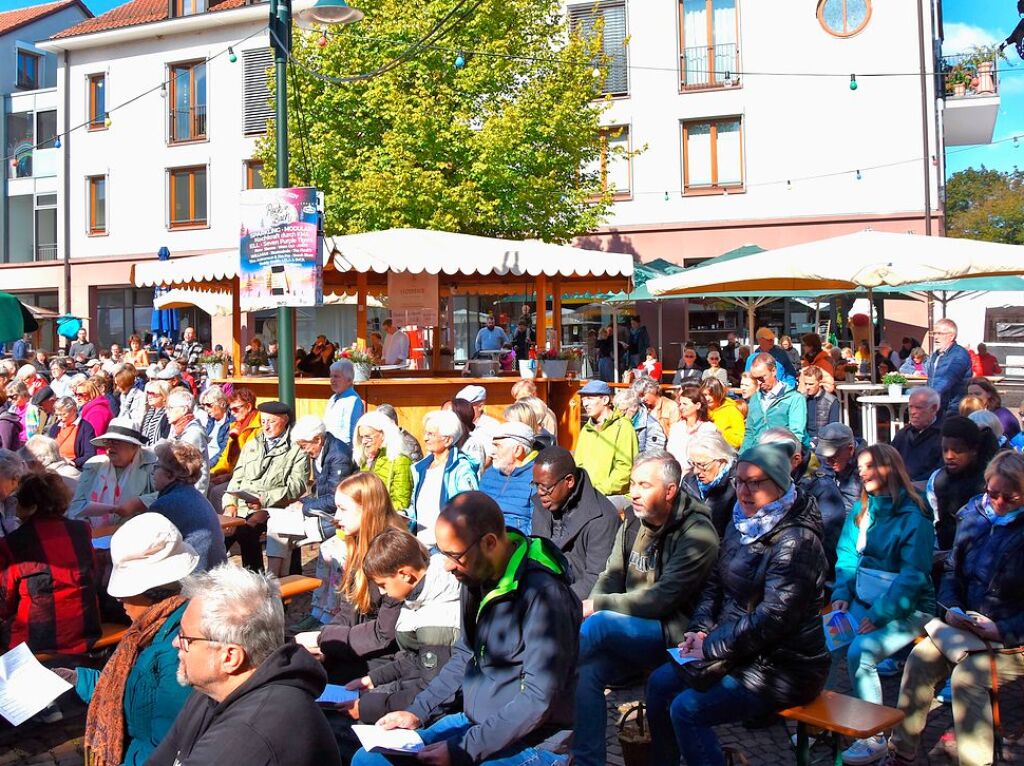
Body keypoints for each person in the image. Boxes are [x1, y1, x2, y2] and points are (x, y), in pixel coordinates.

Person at [350, 492, 581, 766]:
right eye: (441, 552)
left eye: (454, 555)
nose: (446, 566)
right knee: (369, 759)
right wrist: (417, 712)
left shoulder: (545, 597)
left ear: (489, 543)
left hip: (534, 742)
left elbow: (537, 699)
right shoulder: (474, 578)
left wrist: (465, 749)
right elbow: (463, 656)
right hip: (473, 722)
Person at [645, 442, 830, 766]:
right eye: (739, 481)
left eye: (755, 482)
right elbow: (714, 584)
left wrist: (712, 645)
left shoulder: (796, 541)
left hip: (784, 665)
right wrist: (700, 630)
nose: (744, 491)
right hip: (737, 650)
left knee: (687, 709)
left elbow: (773, 619)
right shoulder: (742, 521)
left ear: (780, 484)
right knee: (658, 684)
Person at [574, 451, 719, 766]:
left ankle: (542, 681)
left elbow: (662, 600)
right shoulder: (632, 520)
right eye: (632, 484)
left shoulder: (697, 533)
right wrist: (598, 602)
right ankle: (587, 761)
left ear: (669, 491)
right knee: (587, 673)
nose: (634, 492)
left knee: (596, 626)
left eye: (643, 485)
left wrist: (597, 606)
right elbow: (610, 575)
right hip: (631, 628)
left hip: (674, 635)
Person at [888, 450, 1024, 766]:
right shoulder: (974, 513)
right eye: (993, 494)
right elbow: (951, 570)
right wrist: (951, 607)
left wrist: (1002, 629)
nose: (998, 503)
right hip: (970, 628)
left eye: (1010, 498)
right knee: (920, 659)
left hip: (1012, 638)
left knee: (967, 678)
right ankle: (902, 751)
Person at [147, 564, 341, 766]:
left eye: (185, 638)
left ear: (230, 657)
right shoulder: (210, 692)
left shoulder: (251, 733)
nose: (175, 643)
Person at [53, 513, 198, 766]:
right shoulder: (150, 629)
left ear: (151, 591)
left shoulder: (175, 652)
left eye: (126, 592)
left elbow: (164, 750)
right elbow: (127, 687)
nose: (119, 599)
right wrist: (77, 679)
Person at [827, 444, 935, 764]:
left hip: (909, 606)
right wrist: (841, 594)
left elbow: (913, 576)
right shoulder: (863, 508)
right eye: (860, 467)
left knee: (861, 651)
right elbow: (846, 556)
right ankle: (824, 722)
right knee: (826, 641)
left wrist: (879, 615)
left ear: (890, 468)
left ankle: (873, 736)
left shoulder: (915, 515)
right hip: (863, 597)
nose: (862, 472)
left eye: (870, 465)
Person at [338, 529, 461, 748]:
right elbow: (412, 657)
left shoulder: (436, 617)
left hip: (432, 710)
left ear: (405, 574)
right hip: (412, 690)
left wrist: (367, 707)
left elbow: (433, 688)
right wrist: (373, 679)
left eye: (383, 585)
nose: (382, 593)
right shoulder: (416, 596)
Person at [295, 472, 406, 682]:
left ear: (368, 510)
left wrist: (324, 638)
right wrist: (327, 644)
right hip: (363, 647)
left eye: (343, 509)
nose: (336, 517)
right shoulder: (359, 545)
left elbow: (385, 634)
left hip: (388, 660)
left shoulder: (394, 554)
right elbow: (349, 610)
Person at [0, 469, 101, 654]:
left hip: (34, 641)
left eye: (19, 503)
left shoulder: (12, 544)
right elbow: (92, 574)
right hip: (86, 631)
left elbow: (4, 604)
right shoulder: (81, 530)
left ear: (30, 507)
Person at [221, 401, 308, 571]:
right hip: (243, 505)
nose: (266, 427)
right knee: (218, 534)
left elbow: (298, 485)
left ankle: (256, 578)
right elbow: (236, 478)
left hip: (274, 506)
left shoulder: (296, 448)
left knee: (246, 530)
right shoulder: (252, 444)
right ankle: (210, 581)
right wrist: (230, 504)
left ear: (284, 421)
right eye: (263, 422)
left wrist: (264, 499)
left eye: (271, 422)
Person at [529, 446, 619, 600]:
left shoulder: (602, 518)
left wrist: (552, 601)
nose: (539, 492)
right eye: (536, 485)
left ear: (569, 481)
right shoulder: (544, 503)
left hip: (574, 602)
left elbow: (597, 579)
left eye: (545, 487)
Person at [149, 441, 227, 571]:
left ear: (171, 475)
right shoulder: (195, 495)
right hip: (216, 572)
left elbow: (150, 549)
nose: (152, 472)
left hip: (194, 580)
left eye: (156, 467)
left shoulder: (164, 505)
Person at [927, 415, 999, 551]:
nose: (949, 456)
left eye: (958, 450)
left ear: (974, 450)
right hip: (944, 551)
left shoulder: (989, 481)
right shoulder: (938, 479)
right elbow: (935, 521)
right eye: (945, 450)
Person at [69, 419, 159, 522]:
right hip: (91, 532)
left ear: (134, 446)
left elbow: (168, 495)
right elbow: (77, 505)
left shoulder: (152, 465)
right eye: (108, 441)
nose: (110, 446)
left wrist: (140, 502)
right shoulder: (94, 465)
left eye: (116, 441)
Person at [410, 409, 478, 544]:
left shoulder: (461, 468)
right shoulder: (420, 468)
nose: (425, 438)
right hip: (420, 543)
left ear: (447, 440)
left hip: (447, 546)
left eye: (431, 434)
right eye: (425, 433)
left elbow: (470, 508)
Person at [801, 422, 863, 566]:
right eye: (825, 456)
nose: (828, 461)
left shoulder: (863, 472)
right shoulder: (827, 465)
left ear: (850, 449)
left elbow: (848, 517)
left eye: (833, 456)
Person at [574, 379, 638, 498]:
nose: (585, 404)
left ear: (605, 400)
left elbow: (625, 470)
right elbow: (578, 465)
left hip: (614, 495)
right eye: (583, 399)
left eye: (590, 398)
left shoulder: (623, 427)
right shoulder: (586, 430)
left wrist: (598, 491)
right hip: (587, 494)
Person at [478, 421, 539, 534]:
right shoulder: (490, 473)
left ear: (517, 450)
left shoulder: (537, 478)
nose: (491, 452)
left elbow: (535, 529)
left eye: (497, 446)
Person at [740, 352, 808, 450]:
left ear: (774, 371)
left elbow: (796, 436)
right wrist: (741, 458)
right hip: (758, 456)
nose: (758, 383)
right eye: (755, 379)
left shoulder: (794, 399)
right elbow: (749, 433)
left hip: (783, 456)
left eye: (761, 378)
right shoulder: (755, 398)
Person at [353, 410, 414, 511]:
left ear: (383, 434)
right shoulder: (366, 460)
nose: (363, 441)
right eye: (362, 437)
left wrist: (374, 511)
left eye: (368, 437)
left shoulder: (400, 461)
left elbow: (401, 504)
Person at [682, 430, 737, 538]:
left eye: (702, 465)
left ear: (722, 461)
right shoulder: (688, 481)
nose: (696, 471)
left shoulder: (737, 486)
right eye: (692, 463)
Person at [891, 386, 943, 486]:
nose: (912, 412)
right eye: (910, 407)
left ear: (934, 408)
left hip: (927, 487)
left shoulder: (943, 435)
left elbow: (940, 470)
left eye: (918, 407)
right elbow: (888, 460)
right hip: (899, 486)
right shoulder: (903, 434)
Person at [164, 388, 210, 495]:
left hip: (191, 494)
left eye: (170, 408)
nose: (166, 412)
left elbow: (182, 468)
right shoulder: (178, 429)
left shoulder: (193, 434)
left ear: (184, 410)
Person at [667, 383, 718, 475]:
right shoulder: (676, 428)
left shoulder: (708, 428)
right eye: (680, 404)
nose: (681, 407)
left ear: (698, 405)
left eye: (685, 404)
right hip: (676, 474)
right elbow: (671, 453)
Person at [925, 318, 972, 416]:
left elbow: (948, 378)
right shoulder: (936, 355)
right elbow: (931, 379)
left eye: (940, 333)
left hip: (954, 408)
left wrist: (929, 396)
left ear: (951, 336)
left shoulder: (960, 355)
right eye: (934, 333)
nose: (936, 337)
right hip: (937, 406)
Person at [324, 359, 365, 446]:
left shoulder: (353, 401)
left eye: (336, 376)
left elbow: (349, 434)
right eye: (331, 376)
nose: (332, 380)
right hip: (330, 447)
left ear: (349, 380)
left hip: (343, 450)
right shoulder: (333, 398)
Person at [614, 387, 667, 454]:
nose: (620, 413)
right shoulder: (618, 420)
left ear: (634, 407)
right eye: (619, 410)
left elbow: (653, 456)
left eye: (623, 410)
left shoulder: (652, 426)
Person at [966, 375, 1020, 440]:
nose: (973, 398)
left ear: (989, 394)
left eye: (977, 394)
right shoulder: (968, 414)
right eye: (970, 394)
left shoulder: (1002, 415)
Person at [800, 365, 840, 447]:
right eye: (805, 383)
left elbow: (832, 428)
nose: (807, 387)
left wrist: (816, 441)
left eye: (811, 384)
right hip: (804, 441)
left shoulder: (831, 401)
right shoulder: (801, 399)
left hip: (824, 443)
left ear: (820, 382)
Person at [700, 377, 744, 450]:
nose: (707, 398)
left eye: (711, 394)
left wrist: (722, 433)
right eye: (705, 395)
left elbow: (741, 440)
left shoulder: (731, 410)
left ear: (719, 393)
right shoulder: (701, 410)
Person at [199, 385, 233, 468]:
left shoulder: (231, 423)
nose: (206, 409)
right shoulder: (211, 421)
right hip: (202, 462)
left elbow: (223, 452)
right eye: (203, 405)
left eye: (209, 405)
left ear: (222, 403)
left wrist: (205, 467)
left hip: (215, 466)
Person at [139, 380, 171, 446]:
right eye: (148, 393)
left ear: (164, 396)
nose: (149, 396)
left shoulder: (168, 415)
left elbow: (166, 438)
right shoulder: (149, 412)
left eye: (153, 394)